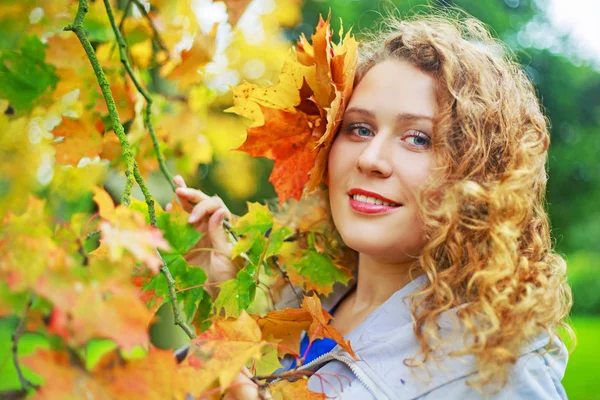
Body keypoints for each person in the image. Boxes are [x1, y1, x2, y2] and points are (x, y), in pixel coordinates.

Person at [167, 11, 573, 400]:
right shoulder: (303, 301)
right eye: (359, 129)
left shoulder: (494, 369)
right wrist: (222, 302)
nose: (370, 158)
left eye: (418, 138)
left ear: (479, 175)